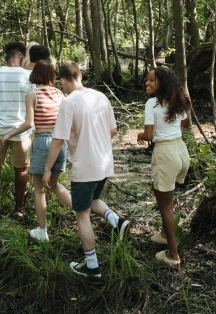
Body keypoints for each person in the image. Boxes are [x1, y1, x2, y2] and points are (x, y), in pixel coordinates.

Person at [43, 61, 130, 279]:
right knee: (91, 201)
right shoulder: (100, 97)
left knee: (81, 214)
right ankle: (117, 221)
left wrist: (47, 170)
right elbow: (112, 131)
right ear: (80, 76)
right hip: (103, 162)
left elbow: (57, 140)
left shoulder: (69, 103)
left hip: (85, 165)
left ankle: (92, 267)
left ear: (63, 81)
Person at [3, 60, 72, 241]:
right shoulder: (59, 94)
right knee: (55, 185)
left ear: (35, 74)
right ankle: (82, 211)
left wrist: (9, 134)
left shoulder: (32, 94)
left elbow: (28, 123)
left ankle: (42, 230)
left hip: (42, 142)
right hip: (59, 142)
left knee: (40, 189)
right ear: (51, 75)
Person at [136, 67, 192, 267]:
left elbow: (149, 136)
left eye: (152, 81)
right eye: (147, 80)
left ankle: (173, 254)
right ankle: (163, 234)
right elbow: (185, 123)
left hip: (165, 153)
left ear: (162, 83)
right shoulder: (178, 99)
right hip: (181, 151)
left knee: (166, 206)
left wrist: (139, 136)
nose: (147, 83)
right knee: (160, 191)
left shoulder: (152, 104)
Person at [0, 42, 33, 216]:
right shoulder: (29, 76)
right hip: (21, 130)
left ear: (6, 57)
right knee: (21, 168)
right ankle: (18, 209)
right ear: (22, 57)